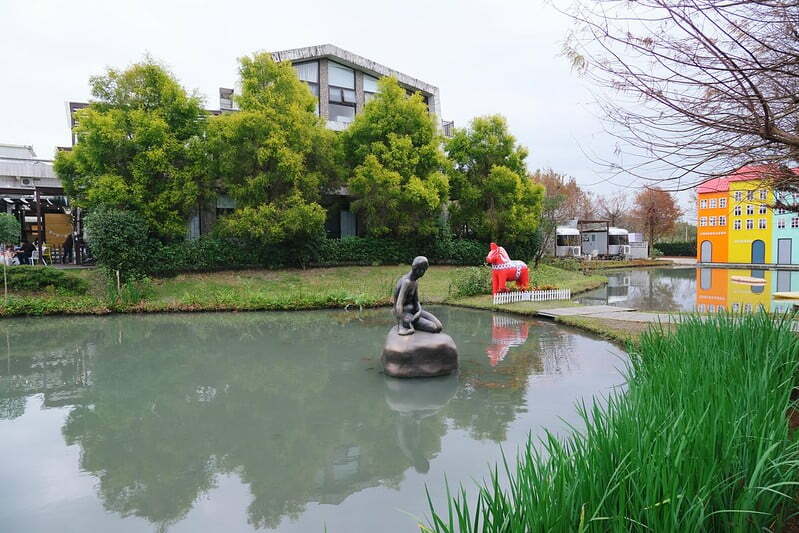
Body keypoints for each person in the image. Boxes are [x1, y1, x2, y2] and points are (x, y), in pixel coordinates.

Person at [392, 256, 443, 336]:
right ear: (417, 269)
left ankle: (415, 318)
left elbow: (416, 301)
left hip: (414, 312)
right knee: (434, 327)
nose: (424, 273)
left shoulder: (415, 282)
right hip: (406, 315)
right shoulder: (406, 282)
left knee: (439, 326)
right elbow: (398, 305)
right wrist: (401, 325)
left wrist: (419, 311)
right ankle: (405, 324)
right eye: (424, 270)